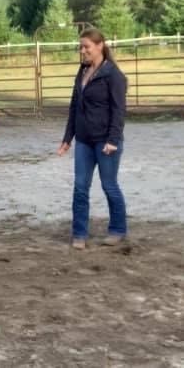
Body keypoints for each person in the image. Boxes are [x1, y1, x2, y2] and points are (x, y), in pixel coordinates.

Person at [58, 28, 128, 250]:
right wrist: (68, 138)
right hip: (84, 141)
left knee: (109, 185)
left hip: (105, 141)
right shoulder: (83, 71)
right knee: (80, 187)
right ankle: (79, 234)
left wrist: (113, 140)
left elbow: (119, 111)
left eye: (86, 46)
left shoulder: (113, 75)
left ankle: (118, 229)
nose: (82, 50)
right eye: (81, 46)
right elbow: (74, 106)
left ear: (100, 46)